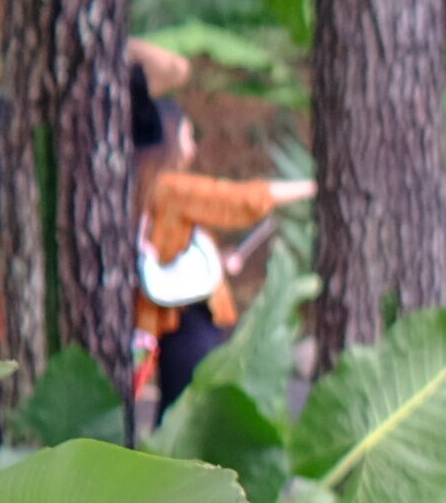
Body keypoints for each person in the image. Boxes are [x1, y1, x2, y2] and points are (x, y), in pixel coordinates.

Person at [131, 92, 311, 413]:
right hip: (190, 329)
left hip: (176, 330)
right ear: (169, 139)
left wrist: (220, 260)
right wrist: (313, 186)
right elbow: (239, 200)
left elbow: (169, 254)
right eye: (187, 136)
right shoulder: (171, 187)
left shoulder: (146, 188)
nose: (193, 147)